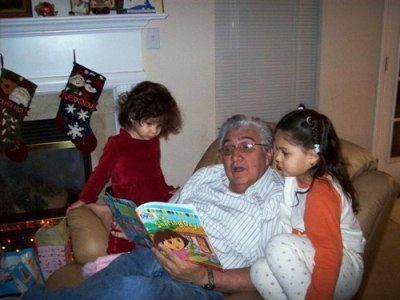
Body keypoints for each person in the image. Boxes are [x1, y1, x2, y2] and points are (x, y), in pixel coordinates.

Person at [22, 114, 284, 300]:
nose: (235, 155)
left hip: (202, 284)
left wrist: (203, 276)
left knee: (130, 291)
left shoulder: (277, 200)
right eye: (228, 149)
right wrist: (142, 229)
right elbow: (168, 215)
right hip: (154, 255)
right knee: (110, 281)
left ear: (269, 154)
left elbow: (271, 274)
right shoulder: (207, 176)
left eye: (246, 146)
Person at [250, 107, 366, 300]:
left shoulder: (321, 194)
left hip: (341, 265)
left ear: (312, 156)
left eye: (285, 153)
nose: (277, 158)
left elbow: (329, 253)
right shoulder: (293, 179)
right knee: (259, 270)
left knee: (278, 245)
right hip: (313, 255)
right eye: (277, 149)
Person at [67, 80, 183, 254]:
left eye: (159, 126)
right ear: (133, 115)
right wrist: (85, 198)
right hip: (130, 205)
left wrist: (166, 189)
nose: (155, 131)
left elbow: (154, 171)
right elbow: (101, 173)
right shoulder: (117, 144)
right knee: (125, 246)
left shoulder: (152, 141)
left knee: (170, 240)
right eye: (150, 124)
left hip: (154, 200)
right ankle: (103, 211)